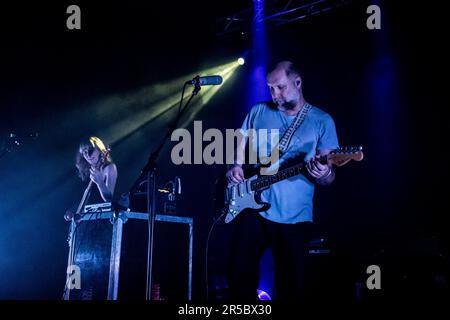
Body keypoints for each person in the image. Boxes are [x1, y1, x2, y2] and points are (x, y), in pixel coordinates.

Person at [225, 61, 339, 301]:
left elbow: (329, 177)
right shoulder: (258, 111)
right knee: (238, 275)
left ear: (297, 82)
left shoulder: (321, 120)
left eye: (280, 87)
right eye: (270, 88)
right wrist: (234, 165)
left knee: (292, 285)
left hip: (295, 216)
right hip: (254, 207)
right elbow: (241, 139)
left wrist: (324, 174)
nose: (274, 94)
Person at [64, 136, 118, 220]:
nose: (87, 155)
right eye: (84, 152)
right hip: (84, 220)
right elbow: (85, 199)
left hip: (102, 220)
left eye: (90, 150)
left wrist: (100, 182)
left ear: (100, 150)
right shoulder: (87, 170)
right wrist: (72, 210)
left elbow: (109, 200)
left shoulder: (110, 168)